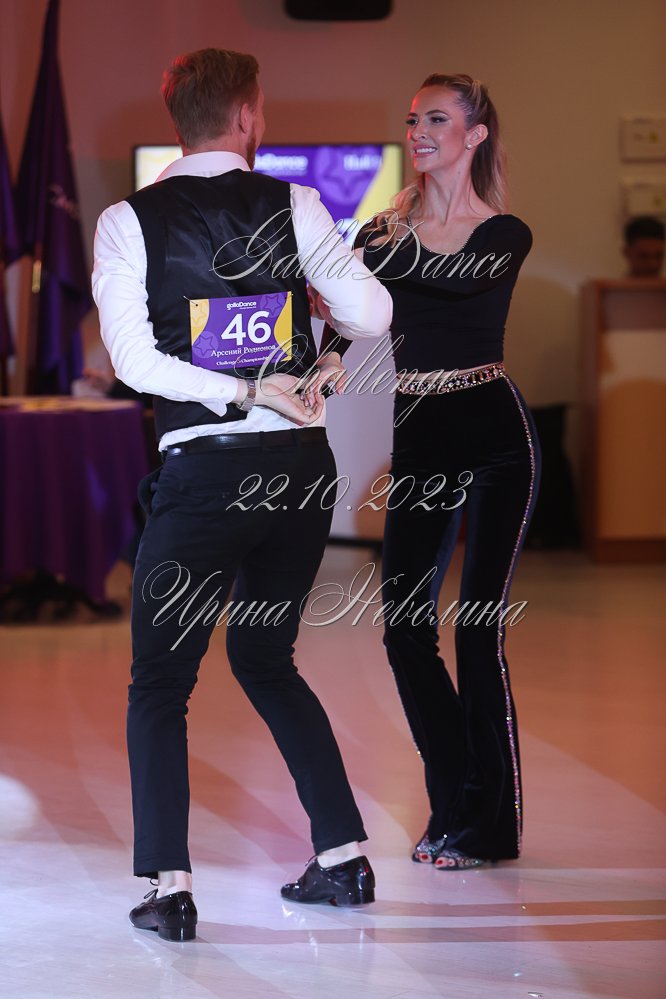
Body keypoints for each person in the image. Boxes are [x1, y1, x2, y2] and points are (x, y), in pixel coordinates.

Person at [92, 47, 392, 941]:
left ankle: (169, 887)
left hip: (204, 477)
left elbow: (133, 361)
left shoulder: (127, 220)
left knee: (160, 684)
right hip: (297, 473)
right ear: (250, 117)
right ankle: (343, 856)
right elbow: (373, 313)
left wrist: (240, 389)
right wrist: (315, 357)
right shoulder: (294, 203)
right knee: (266, 657)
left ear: (176, 119)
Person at [324, 73, 539, 870]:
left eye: (437, 119)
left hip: (495, 436)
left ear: (474, 135)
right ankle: (454, 802)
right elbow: (350, 320)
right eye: (413, 118)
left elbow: (449, 281)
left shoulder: (504, 232)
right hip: (417, 431)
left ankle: (493, 825)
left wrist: (362, 262)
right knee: (405, 630)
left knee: (478, 632)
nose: (417, 130)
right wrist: (328, 354)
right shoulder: (380, 233)